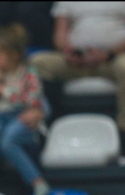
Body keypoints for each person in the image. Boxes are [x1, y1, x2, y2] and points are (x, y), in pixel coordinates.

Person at [0, 24, 51, 195]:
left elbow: (32, 102)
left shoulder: (29, 74)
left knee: (8, 141)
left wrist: (4, 91)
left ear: (13, 55)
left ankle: (37, 181)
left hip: (23, 117)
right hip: (1, 117)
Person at [30, 2, 125, 131]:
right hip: (76, 62)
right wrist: (68, 52)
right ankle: (49, 123)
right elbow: (60, 34)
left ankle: (123, 130)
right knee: (37, 63)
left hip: (114, 59)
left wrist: (109, 54)